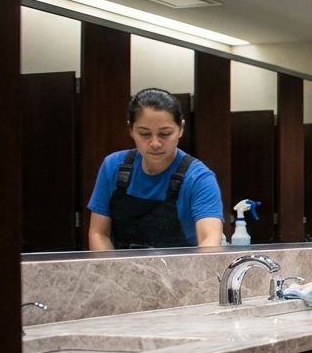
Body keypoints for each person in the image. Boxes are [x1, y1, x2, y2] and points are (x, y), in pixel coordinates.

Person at [87, 88, 224, 249]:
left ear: (181, 128)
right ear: (131, 129)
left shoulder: (199, 178)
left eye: (165, 134)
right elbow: (98, 233)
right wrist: (113, 272)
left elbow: (210, 240)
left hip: (181, 271)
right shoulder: (112, 166)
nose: (155, 143)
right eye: (144, 134)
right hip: (120, 269)